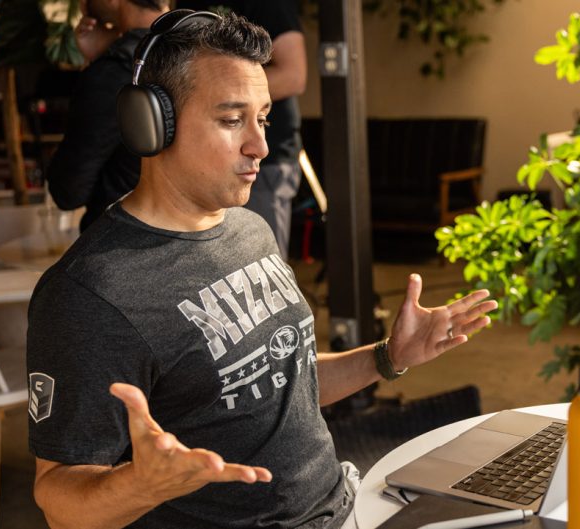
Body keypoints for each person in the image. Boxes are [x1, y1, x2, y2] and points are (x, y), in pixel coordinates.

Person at [26, 11, 496, 529]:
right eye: (232, 121)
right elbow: (57, 496)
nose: (261, 147)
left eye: (264, 118)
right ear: (153, 125)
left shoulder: (249, 229)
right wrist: (140, 484)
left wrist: (388, 356)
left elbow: (284, 380)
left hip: (345, 505)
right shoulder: (90, 294)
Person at [177, 0, 307, 260]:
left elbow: (294, 75)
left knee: (257, 272)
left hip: (265, 169)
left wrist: (220, 95)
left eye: (262, 119)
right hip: (203, 161)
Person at [46, 0, 170, 232]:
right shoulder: (199, 49)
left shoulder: (114, 71)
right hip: (200, 238)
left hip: (123, 241)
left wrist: (101, 65)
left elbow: (68, 191)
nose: (82, 3)